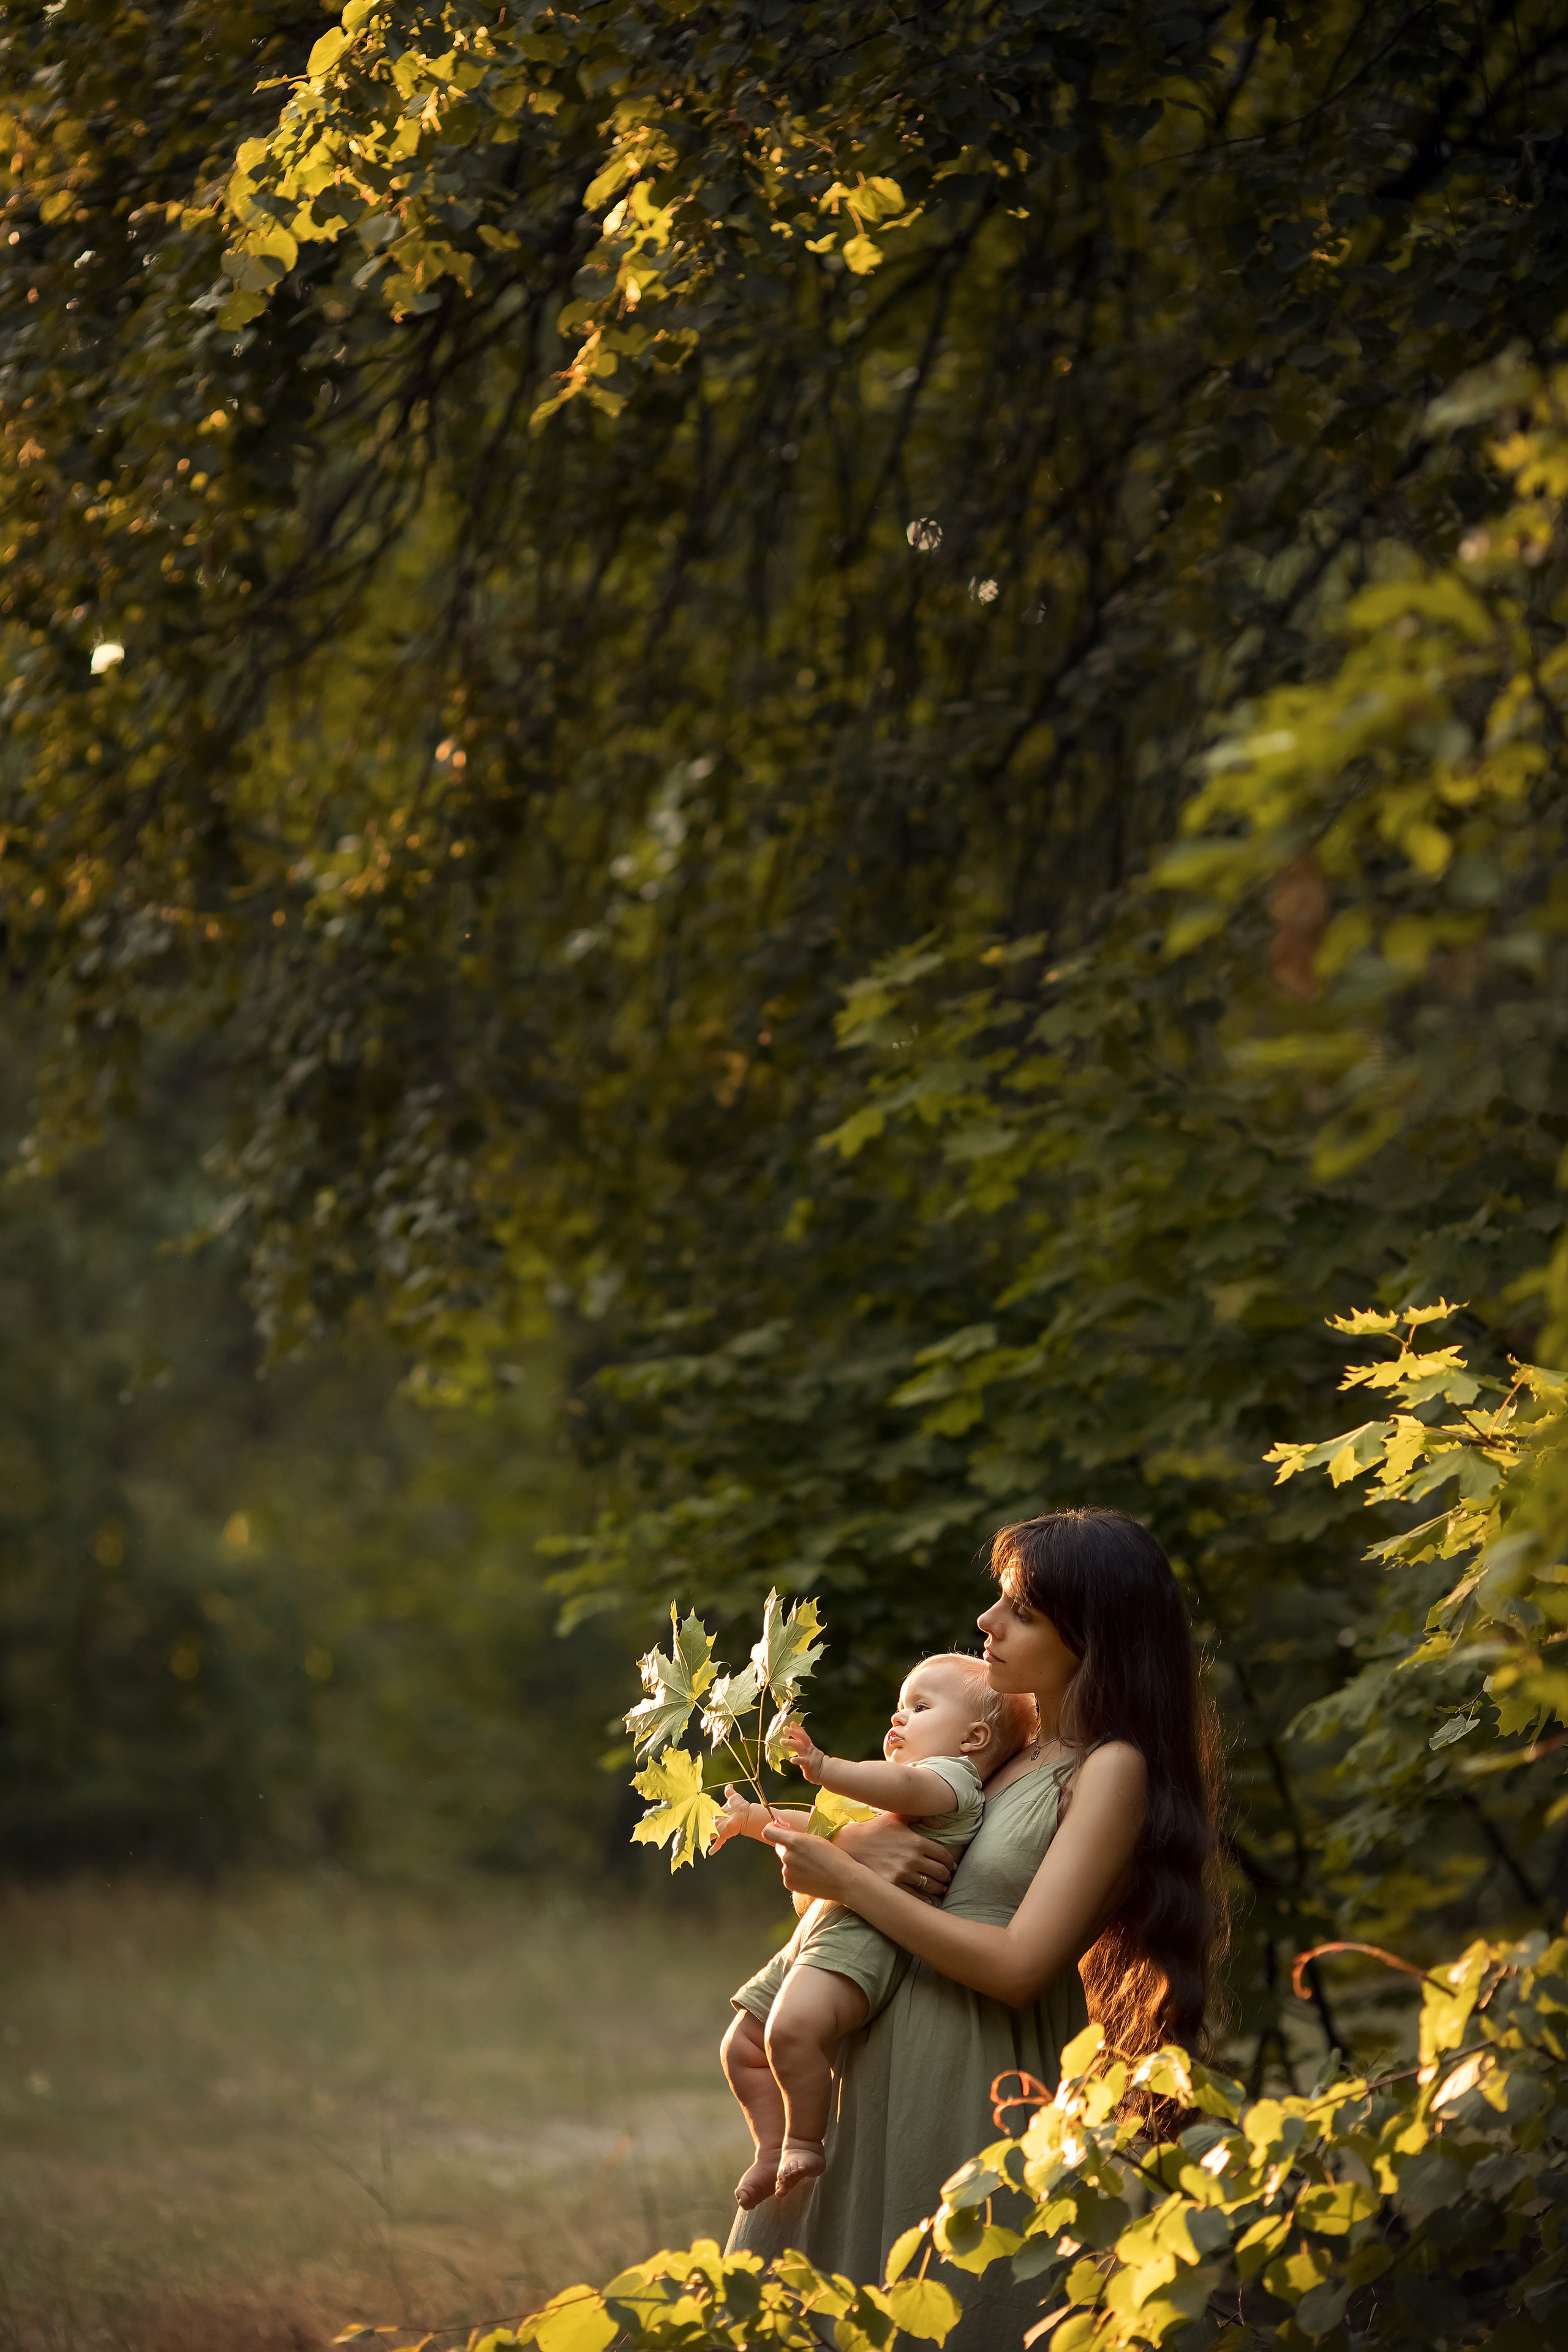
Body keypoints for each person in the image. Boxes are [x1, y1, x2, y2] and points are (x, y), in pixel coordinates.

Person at [726, 1507, 1224, 2352]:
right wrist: (848, 1849)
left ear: (1091, 1636)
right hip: (863, 2069)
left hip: (968, 2083)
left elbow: (1020, 1964)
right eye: (999, 1602)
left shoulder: (1110, 1768)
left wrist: (846, 1873)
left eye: (1020, 1611)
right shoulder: (991, 1755)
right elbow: (902, 1878)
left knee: (941, 2310)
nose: (988, 1624)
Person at [713, 1653, 1036, 2207]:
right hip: (821, 1926)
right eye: (898, 1706)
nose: (898, 1718)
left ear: (974, 1738)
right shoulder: (890, 1790)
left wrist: (825, 1766)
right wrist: (751, 1822)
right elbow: (821, 1830)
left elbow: (901, 1789)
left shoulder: (950, 1782)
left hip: (863, 1936)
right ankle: (769, 2149)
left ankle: (804, 2140)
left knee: (790, 2031)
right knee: (741, 2047)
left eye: (920, 1706)